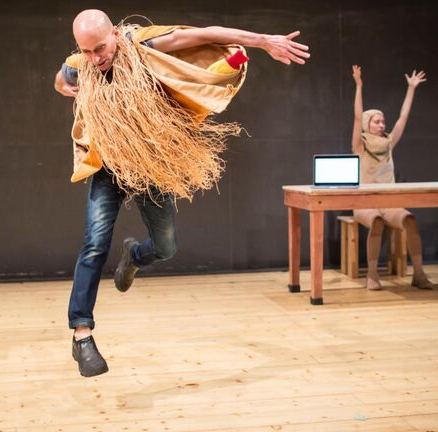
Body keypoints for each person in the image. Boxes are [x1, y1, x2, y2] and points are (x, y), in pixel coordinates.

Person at [54, 9, 309, 377]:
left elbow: (206, 33)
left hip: (149, 163)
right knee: (94, 243)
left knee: (166, 247)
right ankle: (82, 334)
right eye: (87, 51)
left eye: (100, 48)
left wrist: (264, 41)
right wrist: (65, 85)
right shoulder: (83, 63)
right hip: (108, 165)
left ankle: (134, 256)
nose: (96, 58)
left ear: (114, 34)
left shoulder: (144, 47)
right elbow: (62, 78)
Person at [350, 64, 433, 291]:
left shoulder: (388, 144)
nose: (382, 124)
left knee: (410, 220)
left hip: (389, 200)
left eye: (382, 121)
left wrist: (411, 89)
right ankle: (373, 274)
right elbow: (357, 118)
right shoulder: (359, 145)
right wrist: (359, 86)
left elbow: (402, 118)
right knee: (376, 223)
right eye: (377, 121)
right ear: (368, 124)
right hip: (364, 201)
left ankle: (418, 273)